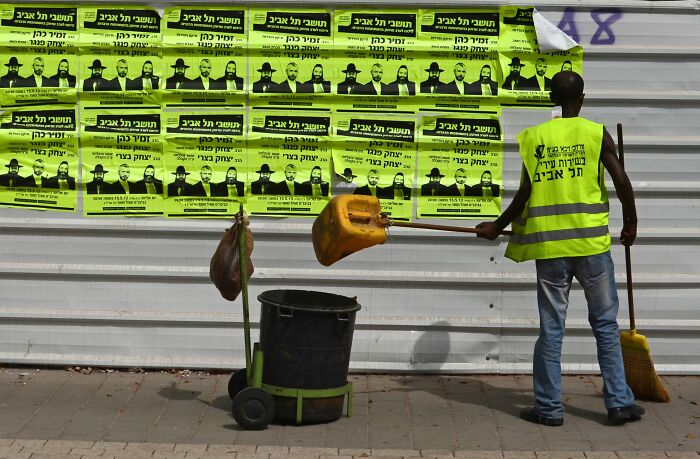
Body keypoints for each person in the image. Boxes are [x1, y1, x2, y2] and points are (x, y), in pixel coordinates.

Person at [476, 71, 644, 427]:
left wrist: (497, 227)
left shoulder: (535, 137)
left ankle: (549, 410)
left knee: (552, 329)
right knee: (604, 324)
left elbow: (524, 195)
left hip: (551, 249)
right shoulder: (595, 133)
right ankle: (618, 403)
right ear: (582, 99)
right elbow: (621, 179)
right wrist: (631, 222)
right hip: (591, 246)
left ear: (552, 98)